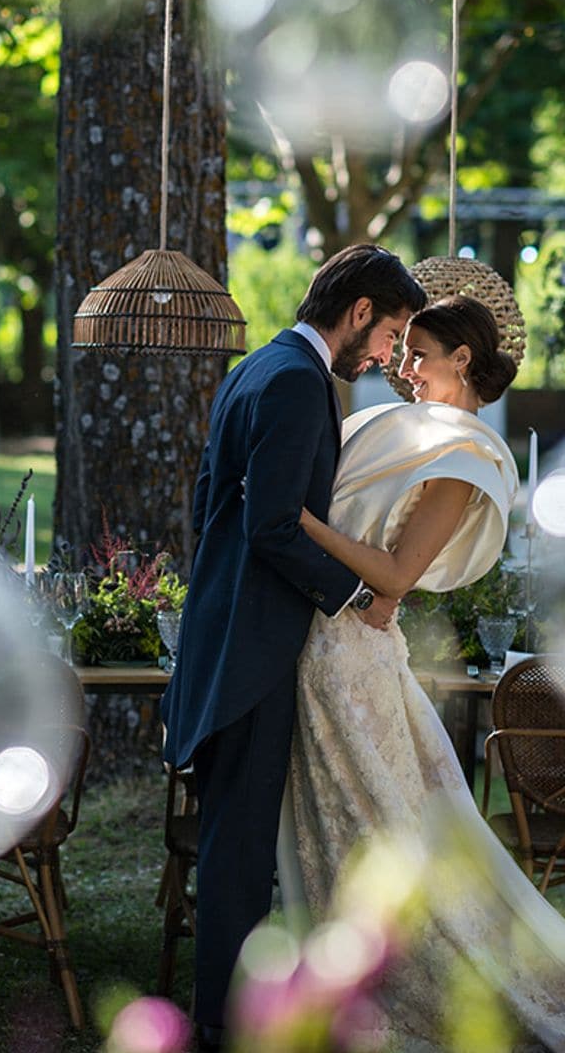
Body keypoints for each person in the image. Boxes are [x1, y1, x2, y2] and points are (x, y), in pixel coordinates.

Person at [279, 294, 565, 1049]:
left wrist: (294, 521)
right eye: (402, 354)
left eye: (418, 355)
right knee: (361, 817)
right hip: (337, 642)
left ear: (462, 359)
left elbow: (397, 574)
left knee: (382, 823)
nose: (402, 371)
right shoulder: (417, 433)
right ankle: (347, 972)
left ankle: (397, 978)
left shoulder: (462, 456)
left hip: (351, 654)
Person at [160, 242, 427, 1048]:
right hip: (253, 652)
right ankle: (223, 1023)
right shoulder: (295, 386)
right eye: (390, 335)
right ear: (358, 314)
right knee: (239, 852)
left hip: (229, 636)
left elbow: (213, 509)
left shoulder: (256, 371)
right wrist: (357, 597)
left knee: (237, 845)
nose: (387, 355)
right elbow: (272, 524)